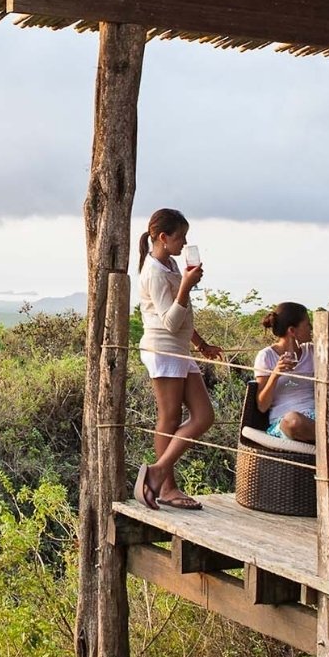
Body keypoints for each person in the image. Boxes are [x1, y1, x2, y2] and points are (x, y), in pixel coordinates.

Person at [133, 208, 222, 511]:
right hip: (163, 348)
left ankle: (157, 472)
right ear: (163, 237)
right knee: (169, 418)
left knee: (204, 416)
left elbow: (182, 320)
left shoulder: (168, 263)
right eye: (180, 237)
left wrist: (201, 344)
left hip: (179, 349)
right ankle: (166, 487)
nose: (184, 243)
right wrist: (185, 286)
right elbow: (170, 322)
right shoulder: (153, 272)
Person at [254, 301, 329, 443]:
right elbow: (262, 406)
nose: (311, 328)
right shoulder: (266, 356)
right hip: (285, 422)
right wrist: (275, 375)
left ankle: (328, 437)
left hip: (317, 419)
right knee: (293, 421)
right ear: (292, 331)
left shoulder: (312, 351)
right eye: (307, 324)